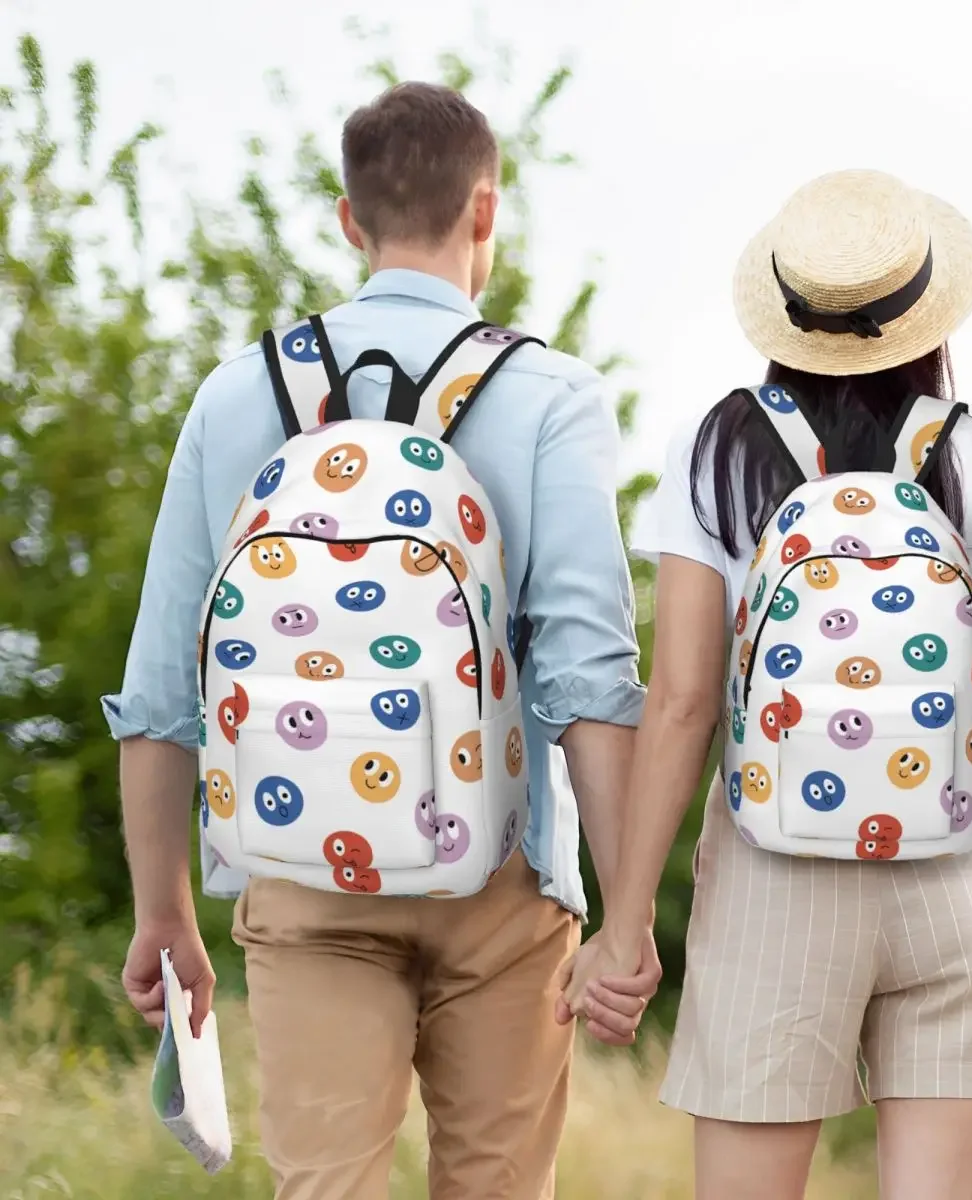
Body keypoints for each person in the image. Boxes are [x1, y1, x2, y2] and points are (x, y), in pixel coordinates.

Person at [105, 81, 659, 1200]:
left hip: (301, 867)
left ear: (350, 220)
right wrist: (627, 914)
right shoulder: (550, 395)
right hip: (501, 873)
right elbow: (590, 677)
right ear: (486, 213)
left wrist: (163, 911)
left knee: (325, 1186)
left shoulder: (235, 395)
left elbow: (164, 683)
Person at [559, 169, 972, 1200]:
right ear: (923, 313)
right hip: (954, 883)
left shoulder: (718, 449)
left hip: (773, 880)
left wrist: (623, 928)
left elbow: (682, 705)